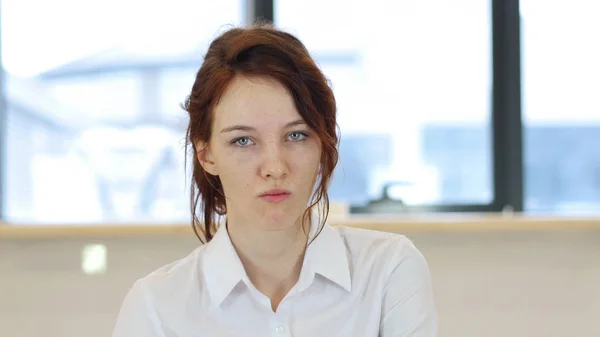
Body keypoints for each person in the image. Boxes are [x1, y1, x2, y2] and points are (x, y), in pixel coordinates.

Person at [112, 23, 437, 337]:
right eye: (242, 140)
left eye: (296, 135)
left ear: (323, 142)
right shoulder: (156, 307)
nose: (275, 167)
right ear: (206, 154)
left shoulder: (388, 272)